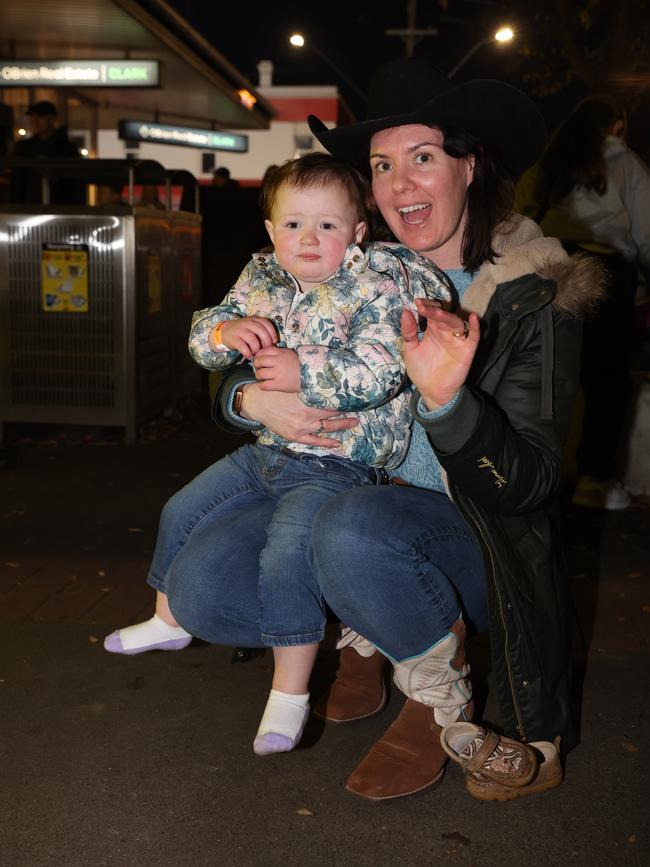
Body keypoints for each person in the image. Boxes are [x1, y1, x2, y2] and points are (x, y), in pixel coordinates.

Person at [188, 57, 603, 802]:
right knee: (202, 582)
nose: (400, 183)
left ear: (469, 168)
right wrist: (249, 398)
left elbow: (534, 483)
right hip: (341, 496)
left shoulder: (532, 294)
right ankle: (364, 632)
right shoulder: (344, 267)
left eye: (423, 158)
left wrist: (448, 401)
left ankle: (430, 691)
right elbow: (235, 347)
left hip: (477, 542)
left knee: (350, 524)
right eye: (382, 164)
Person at [104, 152, 451, 757]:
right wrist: (222, 335)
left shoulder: (373, 286)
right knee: (183, 508)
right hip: (265, 451)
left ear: (357, 232)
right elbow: (206, 331)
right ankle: (167, 617)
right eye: (293, 225)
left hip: (337, 462)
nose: (308, 239)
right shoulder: (261, 276)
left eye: (327, 225)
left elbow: (381, 371)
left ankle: (289, 694)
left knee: (288, 553)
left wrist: (302, 371)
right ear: (270, 231)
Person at [517, 95, 650, 510]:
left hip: (550, 269)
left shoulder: (546, 164)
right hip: (605, 272)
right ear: (617, 126)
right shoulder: (627, 164)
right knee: (605, 379)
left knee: (548, 375)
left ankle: (539, 475)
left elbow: (520, 214)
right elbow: (646, 233)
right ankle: (594, 480)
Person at [10, 100, 83, 205]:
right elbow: (17, 181)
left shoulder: (66, 148)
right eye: (33, 117)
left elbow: (74, 182)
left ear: (52, 119)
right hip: (29, 205)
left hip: (59, 205)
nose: (35, 121)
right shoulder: (24, 147)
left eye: (40, 117)